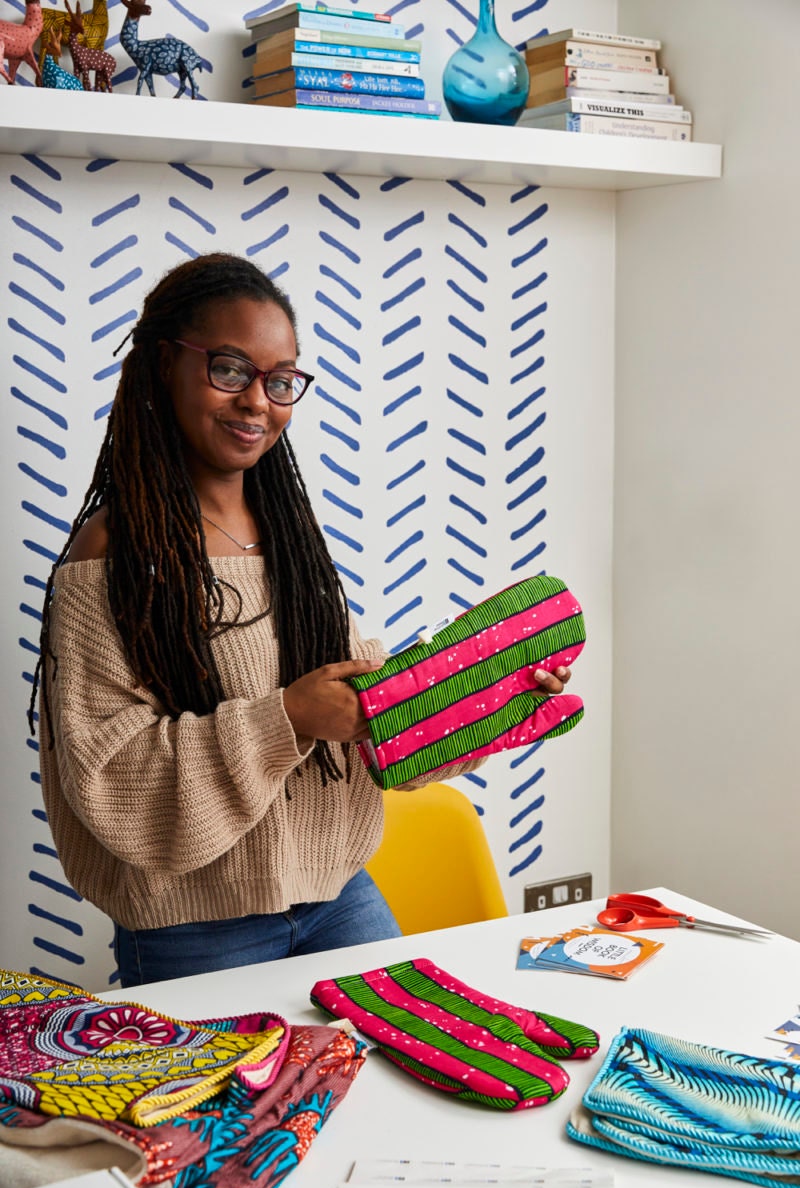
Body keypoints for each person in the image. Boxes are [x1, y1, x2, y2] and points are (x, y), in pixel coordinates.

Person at [29, 252, 571, 987]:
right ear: (164, 365)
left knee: (411, 1072)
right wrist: (288, 716)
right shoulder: (112, 557)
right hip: (195, 927)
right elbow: (114, 777)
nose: (259, 401)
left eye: (280, 380)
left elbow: (365, 726)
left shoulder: (286, 536)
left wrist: (486, 697)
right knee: (242, 1108)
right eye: (230, 369)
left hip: (337, 897)